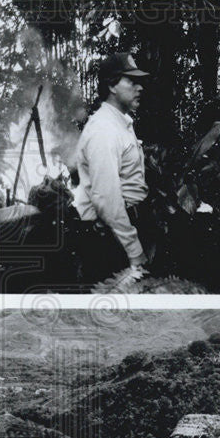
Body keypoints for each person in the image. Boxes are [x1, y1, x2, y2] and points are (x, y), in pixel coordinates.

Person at [74, 53, 155, 286]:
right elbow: (106, 199)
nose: (140, 88)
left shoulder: (121, 123)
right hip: (110, 241)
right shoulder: (103, 129)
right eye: (132, 81)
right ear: (112, 85)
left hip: (121, 231)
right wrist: (134, 250)